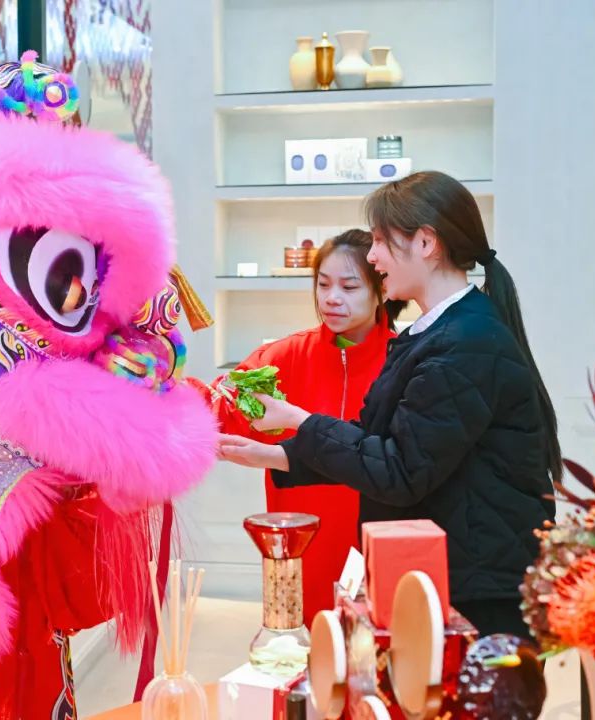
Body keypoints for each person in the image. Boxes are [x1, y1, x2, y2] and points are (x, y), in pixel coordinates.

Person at [218, 171, 560, 638]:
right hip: (447, 575)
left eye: (380, 240)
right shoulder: (441, 333)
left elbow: (399, 469)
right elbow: (379, 441)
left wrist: (299, 420)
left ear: (426, 243)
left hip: (476, 592)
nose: (373, 256)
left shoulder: (466, 342)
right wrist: (276, 455)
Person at [206, 229, 401, 620]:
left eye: (349, 286)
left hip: (379, 546)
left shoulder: (403, 361)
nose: (331, 298)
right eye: (323, 285)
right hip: (298, 548)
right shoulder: (284, 356)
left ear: (382, 289)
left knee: (376, 647)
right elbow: (220, 407)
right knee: (295, 645)